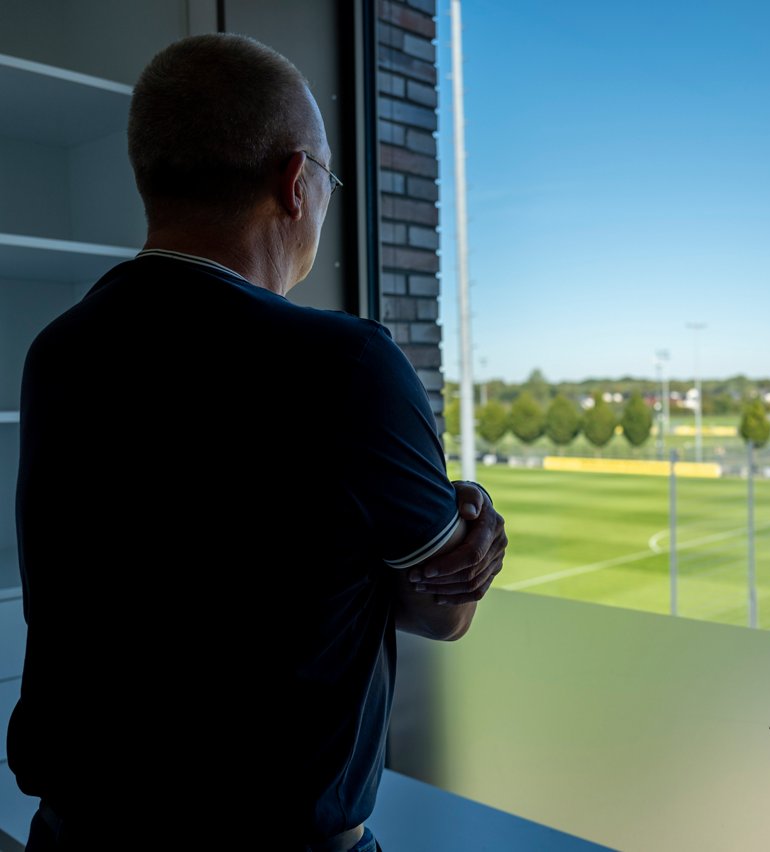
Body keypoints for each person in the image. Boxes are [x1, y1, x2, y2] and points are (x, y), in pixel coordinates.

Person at [6, 33, 506, 851]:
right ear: (295, 181)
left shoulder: (58, 352)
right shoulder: (349, 363)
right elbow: (444, 612)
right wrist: (467, 524)